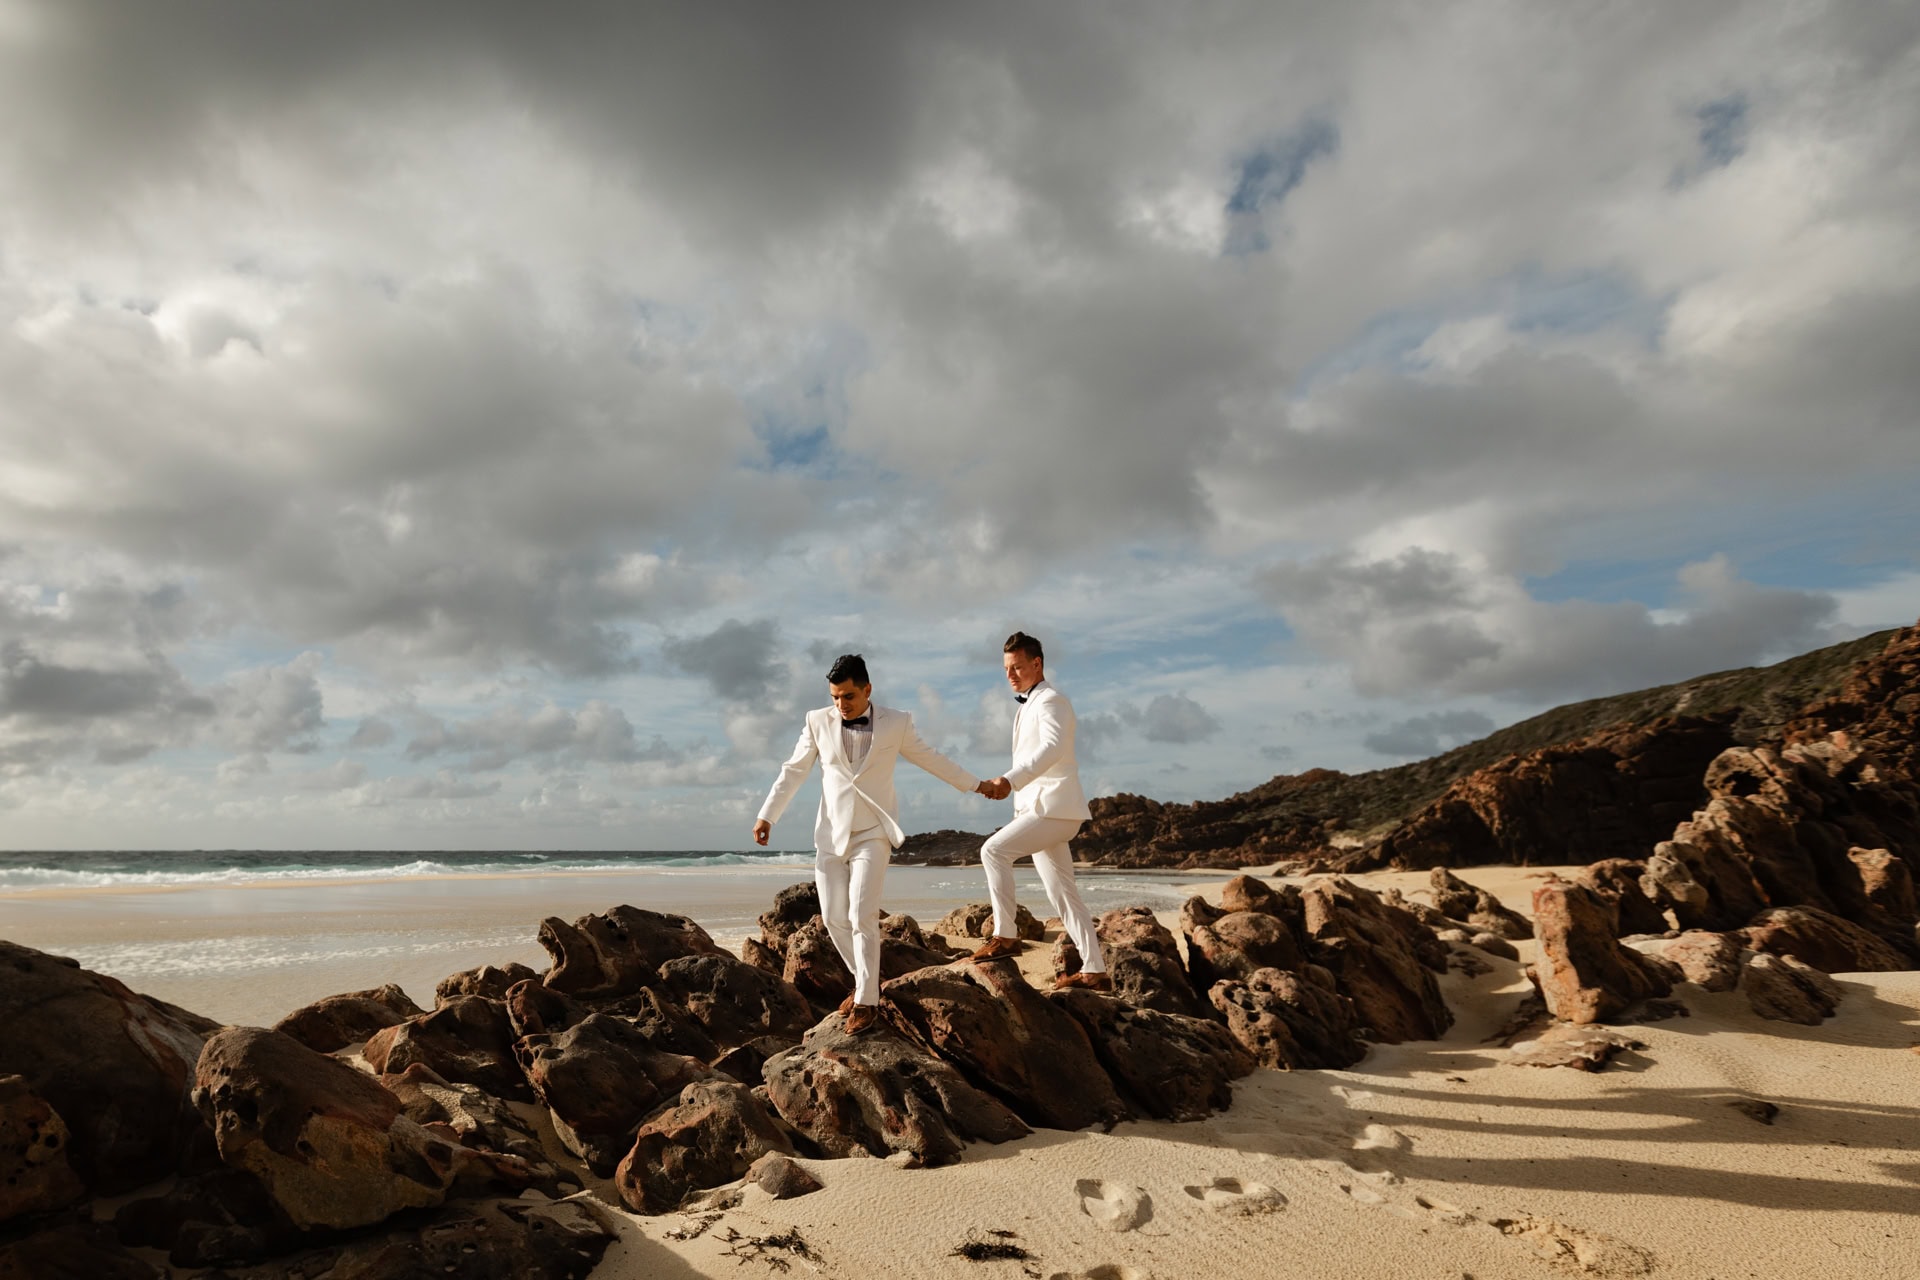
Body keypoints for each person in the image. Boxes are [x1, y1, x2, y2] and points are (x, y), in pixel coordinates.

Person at [754, 653, 997, 1033]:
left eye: (848, 696)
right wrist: (768, 814)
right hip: (831, 835)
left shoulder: (896, 723)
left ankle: (867, 1001)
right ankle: (866, 981)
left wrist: (977, 784)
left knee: (861, 915)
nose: (840, 705)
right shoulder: (817, 721)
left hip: (873, 833)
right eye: (835, 697)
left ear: (868, 689)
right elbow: (794, 770)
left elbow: (932, 759)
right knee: (834, 918)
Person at [966, 631, 1110, 991]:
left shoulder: (1051, 701)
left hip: (1054, 807)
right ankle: (1095, 970)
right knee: (1062, 892)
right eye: (1006, 669)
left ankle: (1006, 936)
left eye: (1017, 667)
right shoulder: (1028, 705)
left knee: (993, 850)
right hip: (1042, 809)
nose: (1010, 674)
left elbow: (1052, 747)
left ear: (1037, 664)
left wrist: (1009, 780)